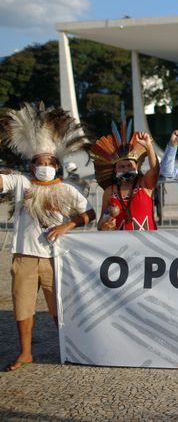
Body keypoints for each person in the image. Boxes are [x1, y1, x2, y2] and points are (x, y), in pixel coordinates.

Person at [0, 102, 96, 372]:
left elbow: (89, 213)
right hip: (25, 257)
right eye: (39, 163)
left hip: (56, 257)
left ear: (57, 165)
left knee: (59, 309)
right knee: (22, 306)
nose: (44, 167)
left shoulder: (66, 189)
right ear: (32, 166)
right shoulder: (21, 183)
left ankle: (69, 348)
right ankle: (26, 352)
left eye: (49, 163)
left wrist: (67, 227)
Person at [90, 123, 159, 231]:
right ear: (115, 170)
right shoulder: (109, 191)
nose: (126, 169)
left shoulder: (145, 184)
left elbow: (155, 170)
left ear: (137, 167)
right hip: (121, 244)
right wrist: (105, 225)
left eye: (130, 166)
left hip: (148, 244)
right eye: (122, 167)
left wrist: (149, 146)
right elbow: (100, 225)